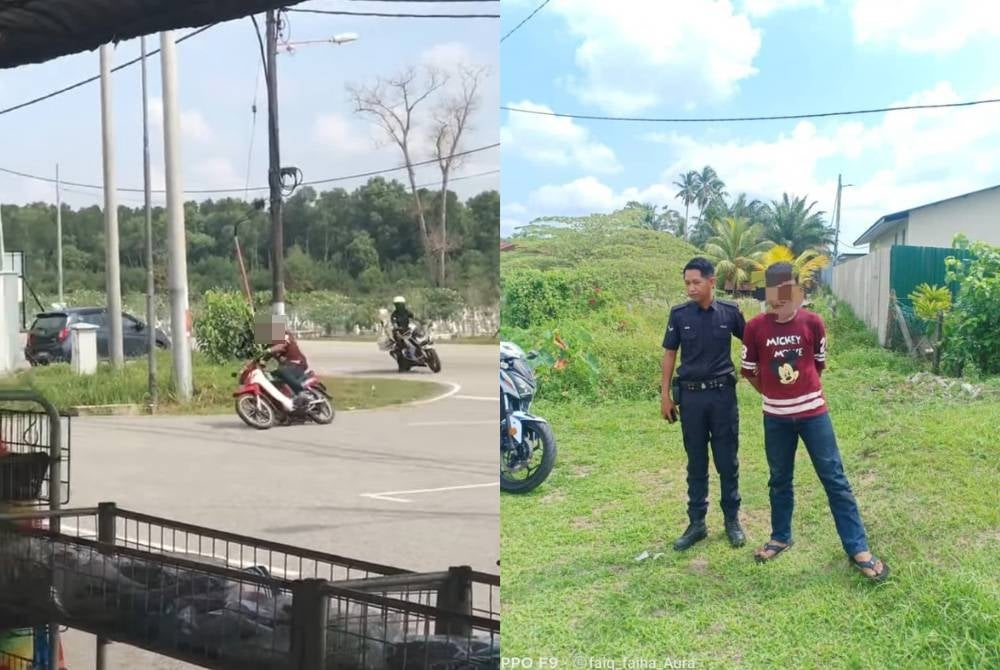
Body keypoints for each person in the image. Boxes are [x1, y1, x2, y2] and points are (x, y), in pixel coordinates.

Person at [740, 262, 889, 582]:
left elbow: (818, 365)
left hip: (814, 415)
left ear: (796, 288)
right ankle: (781, 536)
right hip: (775, 418)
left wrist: (801, 393)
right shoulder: (755, 328)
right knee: (779, 478)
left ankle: (857, 547)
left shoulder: (813, 322)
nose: (779, 296)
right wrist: (774, 394)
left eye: (786, 288)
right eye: (773, 289)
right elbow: (749, 370)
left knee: (834, 478)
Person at [661, 257, 747, 551]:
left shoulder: (731, 312)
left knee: (727, 461)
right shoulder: (679, 315)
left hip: (723, 397)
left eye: (696, 282)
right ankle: (696, 523)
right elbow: (670, 355)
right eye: (687, 283)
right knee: (696, 461)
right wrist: (664, 396)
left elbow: (752, 342)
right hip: (692, 399)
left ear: (712, 282)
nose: (690, 288)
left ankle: (732, 521)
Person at [265, 326, 310, 411]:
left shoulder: (285, 335)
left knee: (281, 370)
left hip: (297, 363)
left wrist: (268, 351)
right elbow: (265, 357)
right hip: (288, 366)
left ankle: (301, 391)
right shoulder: (271, 344)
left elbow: (280, 345)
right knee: (272, 375)